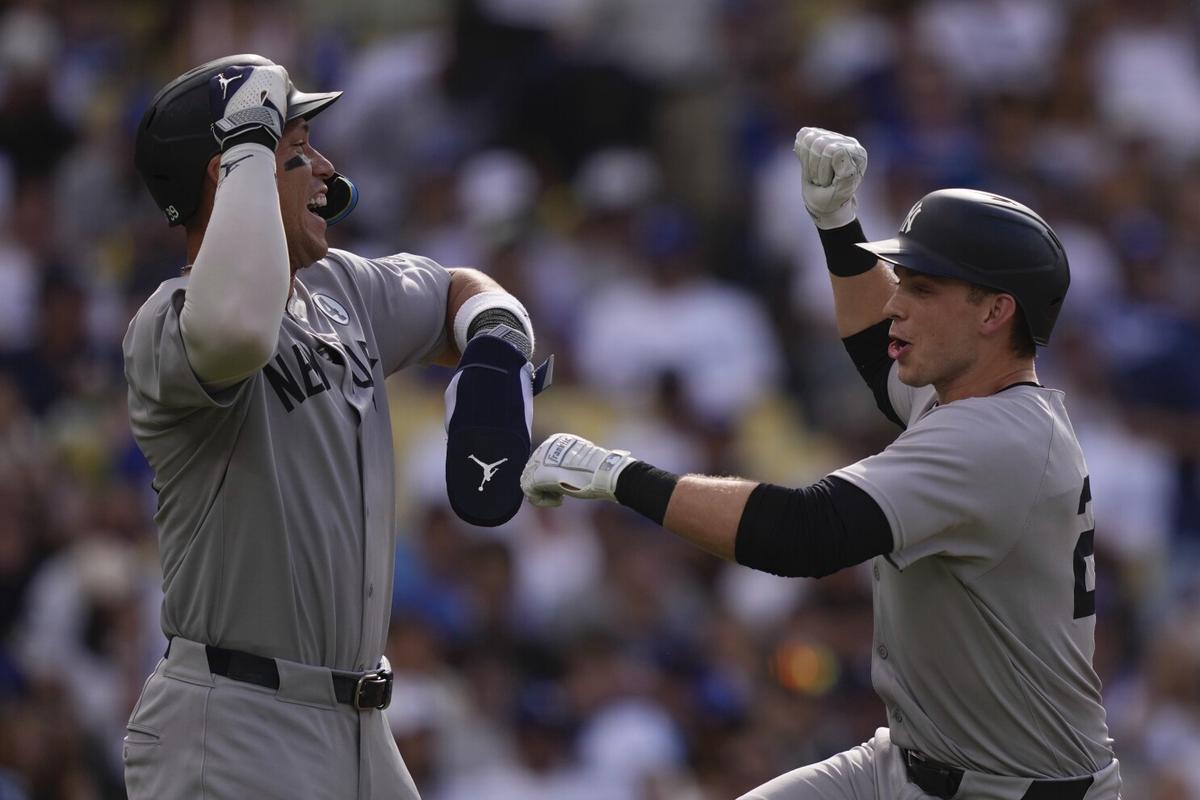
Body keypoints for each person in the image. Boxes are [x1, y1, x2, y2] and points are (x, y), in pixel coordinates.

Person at [521, 127, 1123, 799]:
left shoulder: (990, 439)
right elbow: (875, 343)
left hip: (1013, 791)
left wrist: (618, 476)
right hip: (911, 764)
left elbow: (803, 533)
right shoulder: (975, 396)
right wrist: (838, 224)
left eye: (923, 288)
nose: (895, 302)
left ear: (995, 312)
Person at [122, 55, 537, 799]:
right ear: (233, 174)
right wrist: (248, 143)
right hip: (237, 724)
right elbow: (237, 331)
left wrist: (496, 344)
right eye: (296, 149)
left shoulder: (339, 287)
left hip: (362, 725)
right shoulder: (170, 324)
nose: (326, 169)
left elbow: (458, 288)